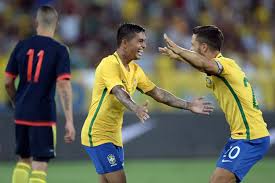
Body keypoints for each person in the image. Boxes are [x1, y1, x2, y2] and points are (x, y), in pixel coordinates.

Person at [81, 23, 214, 183]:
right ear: (124, 42)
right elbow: (118, 91)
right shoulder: (109, 64)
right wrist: (135, 107)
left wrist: (188, 105)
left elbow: (157, 93)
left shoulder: (135, 70)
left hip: (114, 137)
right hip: (97, 135)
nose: (144, 45)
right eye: (140, 41)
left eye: (144, 41)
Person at [159, 25, 270, 183]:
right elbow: (202, 65)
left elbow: (205, 65)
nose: (190, 48)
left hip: (251, 137)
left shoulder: (224, 65)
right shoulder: (221, 66)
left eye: (192, 45)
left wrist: (179, 50)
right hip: (240, 136)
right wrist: (180, 57)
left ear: (203, 47)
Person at [4, 5, 75, 183]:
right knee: (40, 164)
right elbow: (63, 85)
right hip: (43, 114)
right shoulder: (60, 50)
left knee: (23, 161)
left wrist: (16, 102)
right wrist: (69, 120)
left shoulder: (21, 46)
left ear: (36, 21)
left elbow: (7, 82)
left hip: (21, 113)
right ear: (56, 23)